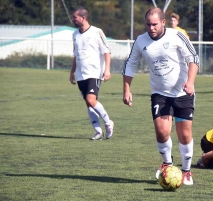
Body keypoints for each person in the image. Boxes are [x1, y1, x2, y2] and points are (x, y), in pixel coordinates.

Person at [122, 7, 199, 185]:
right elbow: (130, 64)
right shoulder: (141, 41)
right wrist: (126, 89)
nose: (151, 28)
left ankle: (186, 171)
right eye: (148, 24)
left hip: (183, 93)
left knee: (184, 135)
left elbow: (193, 58)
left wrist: (190, 81)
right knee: (162, 131)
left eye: (154, 24)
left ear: (163, 22)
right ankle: (167, 164)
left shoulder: (176, 36)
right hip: (160, 94)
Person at [69, 6, 114, 140]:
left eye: (75, 17)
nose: (73, 19)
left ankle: (108, 122)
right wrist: (72, 72)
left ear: (83, 18)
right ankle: (98, 132)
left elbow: (106, 51)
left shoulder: (96, 32)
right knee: (89, 103)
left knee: (91, 99)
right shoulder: (75, 34)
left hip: (94, 73)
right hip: (80, 74)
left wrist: (107, 70)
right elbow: (76, 55)